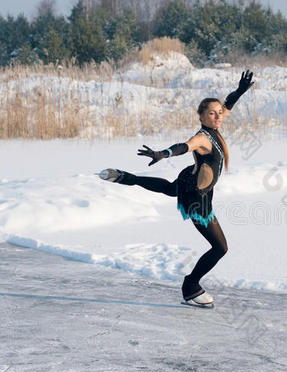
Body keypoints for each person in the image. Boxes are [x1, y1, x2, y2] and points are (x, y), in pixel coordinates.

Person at [98, 70, 255, 305]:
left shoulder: (215, 129)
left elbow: (228, 104)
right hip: (196, 196)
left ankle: (126, 178)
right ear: (202, 117)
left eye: (219, 113)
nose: (218, 116)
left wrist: (240, 91)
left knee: (171, 189)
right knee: (220, 248)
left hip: (193, 181)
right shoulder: (203, 137)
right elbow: (185, 146)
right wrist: (164, 153)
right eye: (212, 114)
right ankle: (190, 285)